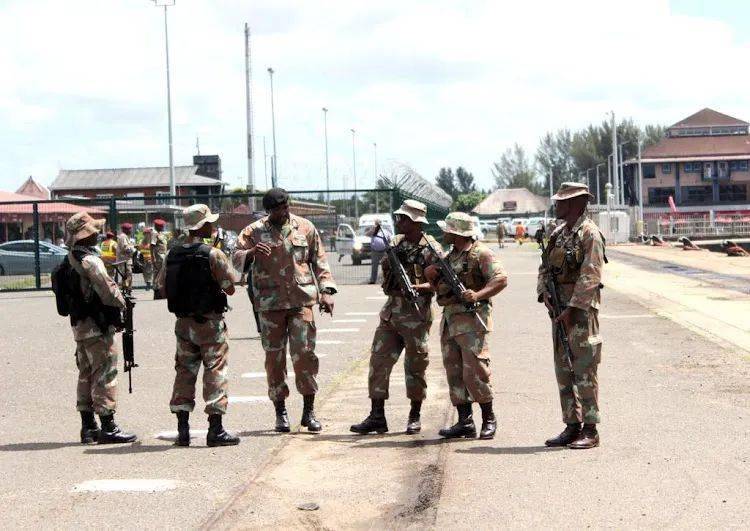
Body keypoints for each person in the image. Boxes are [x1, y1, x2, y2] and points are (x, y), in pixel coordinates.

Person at [233, 188, 337, 433]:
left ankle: (308, 412)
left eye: (286, 206)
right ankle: (280, 412)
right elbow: (235, 258)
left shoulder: (305, 227)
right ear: (269, 211)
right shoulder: (253, 231)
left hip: (301, 301)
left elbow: (320, 261)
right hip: (270, 305)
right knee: (274, 360)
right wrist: (251, 252)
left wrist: (327, 291)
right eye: (278, 209)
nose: (284, 211)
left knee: (305, 356)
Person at [350, 200, 442, 435]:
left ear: (415, 222)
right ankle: (377, 416)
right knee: (378, 363)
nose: (399, 221)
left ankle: (414, 415)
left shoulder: (432, 248)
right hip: (391, 315)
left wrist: (418, 287)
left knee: (416, 366)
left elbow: (440, 284)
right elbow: (386, 277)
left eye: (403, 218)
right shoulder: (394, 244)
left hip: (417, 316)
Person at [156, 204, 240, 447]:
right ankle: (215, 430)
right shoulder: (213, 254)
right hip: (210, 323)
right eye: (209, 222)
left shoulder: (172, 254)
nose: (213, 226)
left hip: (183, 323)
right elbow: (230, 287)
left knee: (184, 371)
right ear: (203, 226)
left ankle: (183, 430)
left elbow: (160, 284)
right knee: (215, 371)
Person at [426, 213, 508, 439]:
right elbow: (439, 288)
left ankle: (489, 418)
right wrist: (430, 276)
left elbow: (501, 279)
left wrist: (478, 295)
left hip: (472, 321)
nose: (444, 233)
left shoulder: (481, 253)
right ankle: (465, 422)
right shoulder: (448, 256)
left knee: (475, 372)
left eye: (448, 229)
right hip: (450, 319)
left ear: (457, 233)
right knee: (454, 372)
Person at [537, 182, 605, 450]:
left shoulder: (590, 234)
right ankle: (571, 425)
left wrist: (572, 309)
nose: (557, 205)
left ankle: (590, 428)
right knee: (563, 370)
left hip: (579, 314)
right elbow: (544, 267)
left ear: (577, 203)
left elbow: (591, 276)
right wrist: (545, 294)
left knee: (584, 370)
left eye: (562, 201)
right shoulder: (558, 234)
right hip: (559, 312)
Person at [64, 212, 138, 444]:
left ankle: (88, 427)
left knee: (86, 374)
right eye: (93, 231)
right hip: (97, 326)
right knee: (105, 373)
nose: (97, 235)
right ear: (85, 235)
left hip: (80, 326)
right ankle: (108, 426)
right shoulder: (90, 260)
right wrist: (123, 303)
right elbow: (108, 292)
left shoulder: (69, 259)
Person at [367, 219, 391, 284]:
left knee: (385, 266)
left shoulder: (385, 231)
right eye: (376, 224)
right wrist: (373, 229)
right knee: (374, 267)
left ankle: (386, 280)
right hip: (375, 251)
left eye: (378, 224)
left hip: (384, 251)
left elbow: (389, 240)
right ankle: (373, 280)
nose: (378, 225)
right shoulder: (373, 231)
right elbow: (367, 234)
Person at [150, 219, 170, 296]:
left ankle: (161, 290)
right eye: (161, 226)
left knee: (162, 274)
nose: (163, 228)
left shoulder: (161, 234)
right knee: (157, 274)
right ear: (158, 227)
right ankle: (156, 291)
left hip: (163, 257)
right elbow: (152, 246)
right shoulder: (155, 234)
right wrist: (153, 258)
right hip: (158, 257)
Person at [116, 223, 136, 289]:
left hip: (125, 260)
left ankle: (127, 291)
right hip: (124, 260)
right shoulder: (123, 236)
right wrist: (133, 249)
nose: (131, 231)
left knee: (127, 276)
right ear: (126, 230)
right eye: (130, 229)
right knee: (127, 275)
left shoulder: (124, 236)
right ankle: (124, 289)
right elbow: (125, 248)